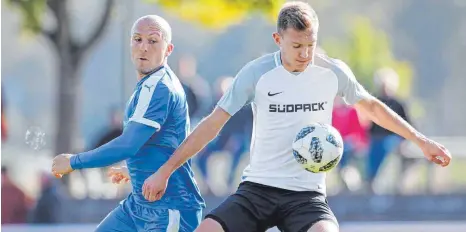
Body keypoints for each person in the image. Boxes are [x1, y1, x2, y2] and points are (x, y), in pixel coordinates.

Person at [150, 3, 451, 232]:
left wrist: (422, 142)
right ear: (277, 39)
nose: (305, 53)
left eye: (311, 44)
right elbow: (212, 124)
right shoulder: (257, 73)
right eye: (296, 46)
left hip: (306, 196)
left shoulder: (332, 72)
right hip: (257, 190)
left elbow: (371, 107)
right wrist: (165, 170)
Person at [51, 15, 204, 231]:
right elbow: (160, 143)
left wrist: (74, 161)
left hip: (169, 208)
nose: (143, 47)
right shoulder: (149, 84)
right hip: (138, 206)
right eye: (137, 39)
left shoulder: (159, 87)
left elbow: (127, 145)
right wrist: (134, 169)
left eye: (153, 41)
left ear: (168, 49)